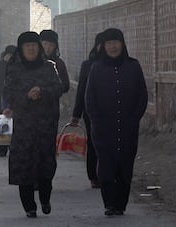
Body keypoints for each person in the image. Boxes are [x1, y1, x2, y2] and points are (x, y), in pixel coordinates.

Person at [85, 28, 148, 216]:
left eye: (116, 42)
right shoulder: (96, 68)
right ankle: (109, 204)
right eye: (108, 43)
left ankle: (121, 203)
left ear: (122, 44)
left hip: (128, 128)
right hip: (103, 128)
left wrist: (134, 118)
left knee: (125, 165)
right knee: (106, 166)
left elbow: (142, 96)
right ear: (103, 46)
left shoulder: (133, 66)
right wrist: (96, 122)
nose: (113, 46)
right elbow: (90, 99)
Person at [3, 32, 62, 218]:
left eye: (34, 45)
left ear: (39, 48)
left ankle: (45, 198)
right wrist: (27, 96)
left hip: (46, 126)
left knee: (46, 166)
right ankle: (29, 206)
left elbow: (59, 88)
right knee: (24, 166)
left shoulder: (49, 67)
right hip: (24, 128)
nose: (31, 48)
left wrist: (42, 92)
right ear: (21, 49)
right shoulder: (14, 69)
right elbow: (9, 95)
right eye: (27, 45)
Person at [71, 32, 104, 189]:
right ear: (97, 46)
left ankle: (109, 174)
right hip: (92, 112)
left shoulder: (123, 65)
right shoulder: (88, 65)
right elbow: (81, 90)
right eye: (103, 43)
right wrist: (76, 114)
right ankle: (94, 176)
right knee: (94, 143)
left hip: (114, 112)